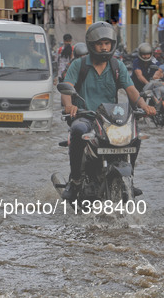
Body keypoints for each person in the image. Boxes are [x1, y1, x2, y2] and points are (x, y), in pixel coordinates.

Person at [60, 21, 156, 201]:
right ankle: (76, 180)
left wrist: (145, 106)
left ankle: (130, 179)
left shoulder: (117, 66)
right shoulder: (78, 65)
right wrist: (68, 105)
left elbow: (131, 90)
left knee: (135, 135)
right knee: (78, 130)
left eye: (107, 44)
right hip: (86, 117)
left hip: (110, 119)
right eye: (100, 44)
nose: (104, 48)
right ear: (92, 44)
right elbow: (67, 88)